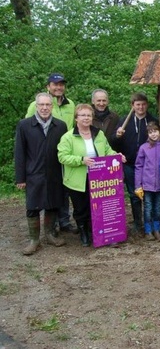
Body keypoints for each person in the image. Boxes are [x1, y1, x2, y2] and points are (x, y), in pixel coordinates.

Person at [57, 104, 124, 247]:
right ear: (76, 118)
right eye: (83, 115)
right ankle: (84, 232)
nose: (86, 118)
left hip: (99, 178)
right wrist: (81, 160)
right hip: (78, 179)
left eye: (88, 115)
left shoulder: (98, 134)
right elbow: (62, 157)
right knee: (81, 208)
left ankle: (100, 233)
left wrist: (117, 156)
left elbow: (107, 151)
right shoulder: (68, 137)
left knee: (99, 207)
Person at [15, 93, 68, 255]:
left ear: (52, 106)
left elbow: (65, 151)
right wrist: (20, 178)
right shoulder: (24, 125)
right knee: (32, 206)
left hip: (54, 172)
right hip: (33, 173)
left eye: (48, 105)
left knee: (52, 203)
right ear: (36, 106)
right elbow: (19, 153)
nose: (44, 108)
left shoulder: (60, 125)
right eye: (41, 105)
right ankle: (34, 240)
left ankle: (50, 235)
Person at [26, 73, 76, 233]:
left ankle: (64, 221)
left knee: (63, 188)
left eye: (61, 84)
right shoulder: (38, 104)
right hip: (43, 154)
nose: (58, 87)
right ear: (48, 86)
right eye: (55, 84)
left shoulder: (71, 105)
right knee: (45, 189)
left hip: (65, 153)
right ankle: (50, 227)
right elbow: (28, 128)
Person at [112, 92, 159, 235]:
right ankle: (138, 223)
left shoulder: (153, 121)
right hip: (130, 164)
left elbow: (159, 140)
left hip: (149, 166)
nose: (141, 107)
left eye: (143, 104)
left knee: (152, 194)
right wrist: (117, 136)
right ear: (132, 106)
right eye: (138, 104)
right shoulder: (123, 121)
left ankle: (152, 224)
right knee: (134, 195)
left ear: (147, 105)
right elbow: (113, 143)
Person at [134, 122, 160, 242]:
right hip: (147, 185)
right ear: (148, 134)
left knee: (158, 208)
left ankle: (157, 230)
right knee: (148, 208)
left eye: (155, 131)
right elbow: (139, 166)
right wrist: (138, 185)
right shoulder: (144, 147)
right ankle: (148, 231)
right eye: (150, 132)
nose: (153, 134)